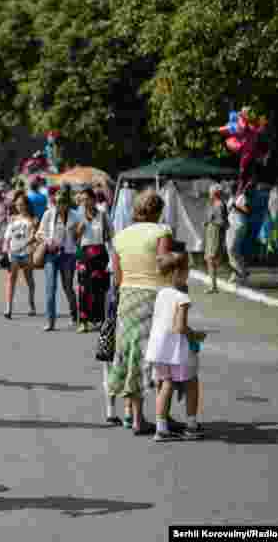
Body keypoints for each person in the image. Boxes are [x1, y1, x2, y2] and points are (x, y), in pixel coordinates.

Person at [109, 189, 179, 436]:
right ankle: (159, 416)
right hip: (155, 297)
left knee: (131, 355)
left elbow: (117, 278)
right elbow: (163, 265)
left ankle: (131, 414)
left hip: (127, 297)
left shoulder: (120, 236)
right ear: (158, 211)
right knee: (159, 356)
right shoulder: (162, 232)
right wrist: (177, 259)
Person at [145, 252, 205, 442]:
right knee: (191, 383)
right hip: (177, 351)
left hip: (159, 350)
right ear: (177, 273)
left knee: (166, 384)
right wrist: (195, 334)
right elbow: (179, 327)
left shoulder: (161, 293)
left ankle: (161, 428)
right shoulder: (182, 298)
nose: (188, 273)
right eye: (186, 270)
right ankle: (191, 425)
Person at [37, 188, 81, 331]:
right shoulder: (49, 214)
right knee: (50, 287)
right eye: (56, 202)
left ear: (67, 203)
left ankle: (75, 315)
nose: (59, 205)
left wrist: (77, 233)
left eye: (62, 202)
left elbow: (79, 236)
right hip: (51, 254)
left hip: (68, 254)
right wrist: (48, 240)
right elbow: (39, 233)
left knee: (67, 287)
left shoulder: (75, 216)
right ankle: (50, 321)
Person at [74, 188, 112, 333]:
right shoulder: (79, 216)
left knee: (99, 289)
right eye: (82, 200)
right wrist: (79, 231)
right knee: (83, 288)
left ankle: (99, 319)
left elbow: (110, 235)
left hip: (100, 253)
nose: (84, 202)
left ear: (93, 199)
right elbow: (74, 239)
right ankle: (83, 321)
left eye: (86, 199)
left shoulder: (103, 215)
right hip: (84, 254)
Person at [2, 190, 38, 319]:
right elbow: (7, 237)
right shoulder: (12, 219)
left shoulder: (33, 219)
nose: (20, 206)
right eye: (17, 204)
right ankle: (8, 307)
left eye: (22, 204)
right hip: (14, 253)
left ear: (27, 205)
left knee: (29, 279)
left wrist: (30, 244)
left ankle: (31, 304)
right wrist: (6, 251)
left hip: (27, 253)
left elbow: (35, 237)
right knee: (11, 279)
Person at [204, 184, 227, 293]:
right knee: (210, 259)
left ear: (215, 193)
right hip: (211, 232)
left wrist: (210, 221)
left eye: (211, 192)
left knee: (212, 258)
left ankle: (213, 286)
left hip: (215, 233)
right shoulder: (214, 204)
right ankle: (213, 285)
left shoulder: (219, 205)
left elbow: (222, 222)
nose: (209, 194)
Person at [226, 186, 251, 284]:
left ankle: (239, 272)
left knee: (231, 249)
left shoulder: (242, 197)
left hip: (239, 225)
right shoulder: (231, 198)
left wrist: (235, 206)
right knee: (232, 250)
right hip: (230, 226)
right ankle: (239, 272)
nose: (230, 189)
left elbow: (247, 211)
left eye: (233, 187)